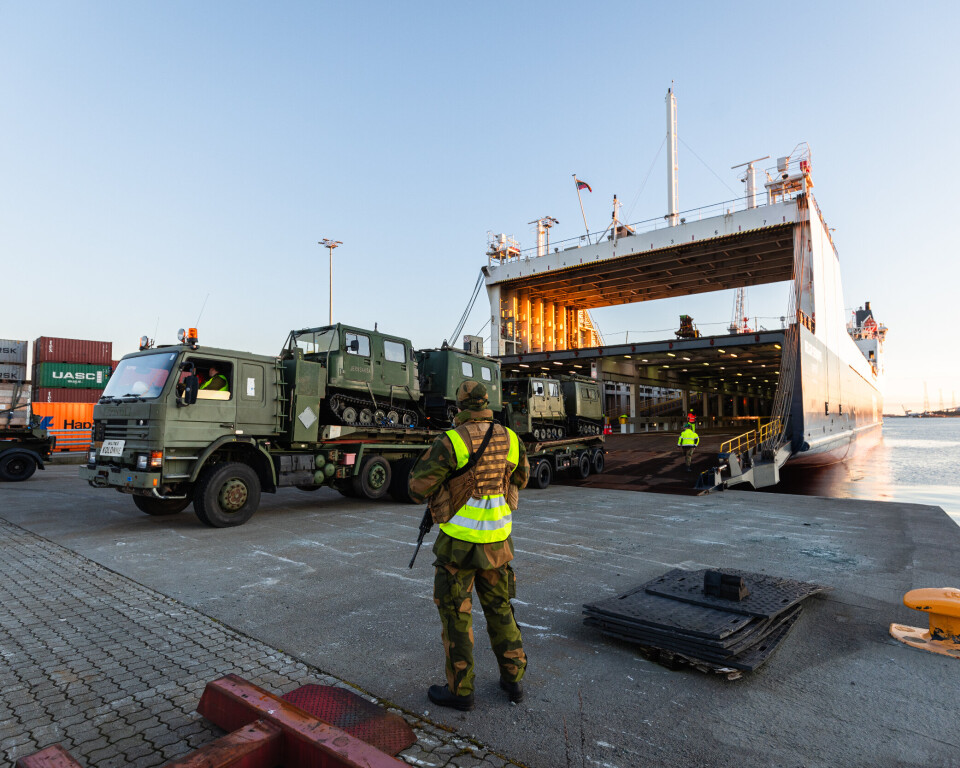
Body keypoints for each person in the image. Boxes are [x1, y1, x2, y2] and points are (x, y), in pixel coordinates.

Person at [408, 381, 530, 711]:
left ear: (459, 406)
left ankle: (461, 691)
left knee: (457, 618)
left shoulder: (452, 440)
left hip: (458, 550)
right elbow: (522, 479)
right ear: (487, 403)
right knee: (501, 610)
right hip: (498, 545)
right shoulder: (511, 439)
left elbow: (417, 487)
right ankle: (513, 680)